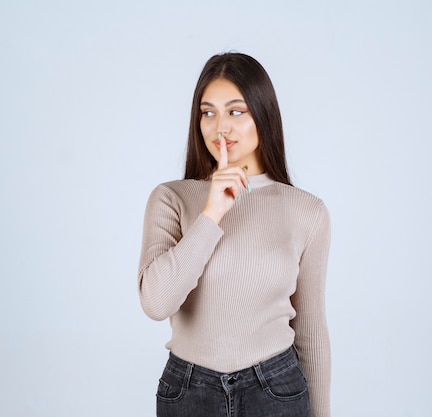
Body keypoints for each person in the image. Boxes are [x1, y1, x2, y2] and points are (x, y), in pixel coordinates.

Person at [138, 52, 331, 417]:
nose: (219, 127)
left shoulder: (307, 211)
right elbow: (156, 302)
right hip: (189, 392)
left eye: (235, 111)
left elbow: (311, 331)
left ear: (263, 115)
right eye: (208, 112)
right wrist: (212, 213)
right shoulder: (172, 198)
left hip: (275, 390)